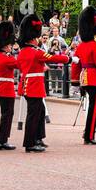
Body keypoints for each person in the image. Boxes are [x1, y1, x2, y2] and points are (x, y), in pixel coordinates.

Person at [18, 13, 68, 152]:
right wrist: (69, 59)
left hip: (28, 85)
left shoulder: (23, 52)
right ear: (32, 39)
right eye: (36, 38)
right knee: (33, 114)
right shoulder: (36, 52)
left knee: (39, 112)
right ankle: (29, 143)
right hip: (34, 87)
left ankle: (38, 138)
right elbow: (52, 58)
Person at [72, 6, 96, 145]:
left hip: (84, 78)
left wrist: (75, 80)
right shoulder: (95, 46)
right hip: (94, 78)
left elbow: (75, 63)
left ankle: (88, 131)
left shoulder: (81, 45)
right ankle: (89, 135)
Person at [0, 19, 21, 150]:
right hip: (6, 89)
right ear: (6, 45)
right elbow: (19, 64)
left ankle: (2, 139)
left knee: (5, 114)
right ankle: (2, 140)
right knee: (8, 114)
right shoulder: (7, 58)